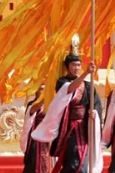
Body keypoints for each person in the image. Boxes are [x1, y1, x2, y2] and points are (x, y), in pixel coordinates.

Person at [31, 38, 103, 173]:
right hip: (69, 128)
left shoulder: (88, 86)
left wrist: (95, 113)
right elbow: (69, 89)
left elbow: (97, 104)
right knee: (73, 161)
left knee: (84, 162)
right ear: (67, 67)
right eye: (74, 65)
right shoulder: (62, 82)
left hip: (85, 128)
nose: (76, 68)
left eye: (78, 65)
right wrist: (86, 73)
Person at [21, 84, 50, 173]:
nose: (43, 92)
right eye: (41, 90)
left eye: (45, 90)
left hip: (47, 139)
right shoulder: (32, 104)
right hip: (34, 140)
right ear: (36, 91)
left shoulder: (51, 104)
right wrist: (44, 99)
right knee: (33, 164)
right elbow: (32, 111)